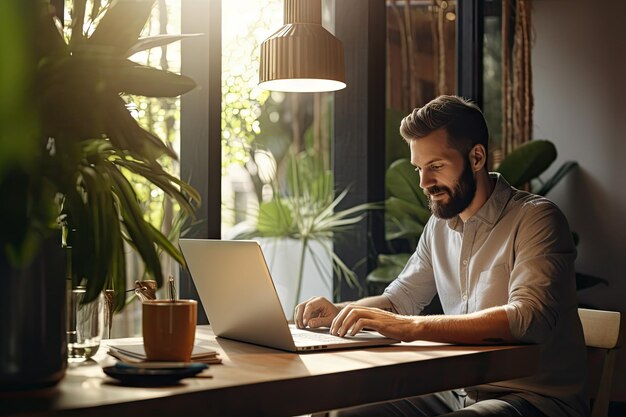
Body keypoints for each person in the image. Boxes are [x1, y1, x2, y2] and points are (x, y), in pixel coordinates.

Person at [294, 95, 588, 417]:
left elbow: (528, 318)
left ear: (476, 158)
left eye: (435, 167)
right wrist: (339, 312)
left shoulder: (536, 219)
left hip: (533, 399)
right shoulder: (439, 227)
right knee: (343, 413)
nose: (423, 183)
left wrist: (410, 327)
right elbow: (399, 300)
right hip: (458, 393)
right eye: (419, 168)